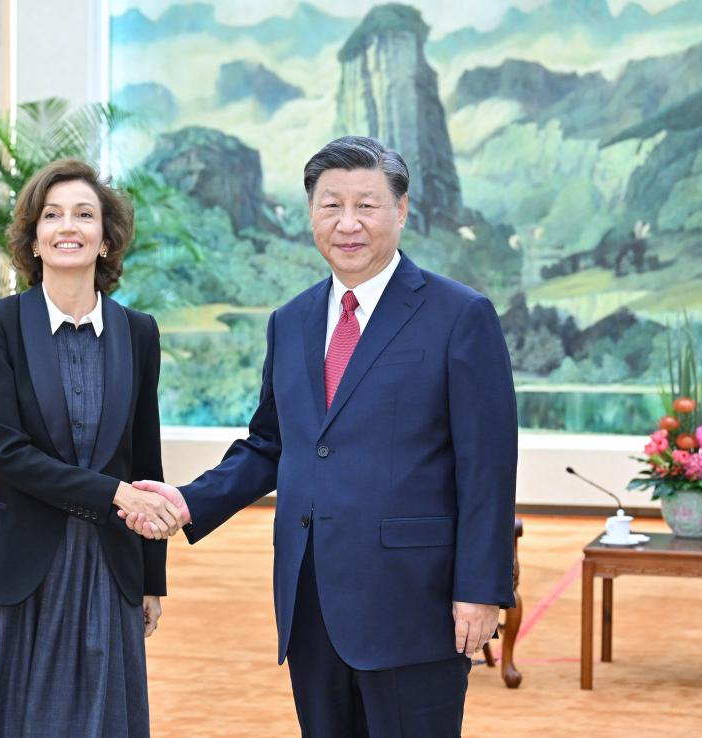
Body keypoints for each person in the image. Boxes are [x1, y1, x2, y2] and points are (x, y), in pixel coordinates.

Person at [124, 136, 517, 737]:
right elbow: (269, 445)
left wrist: (481, 590)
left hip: (416, 601)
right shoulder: (292, 321)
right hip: (310, 599)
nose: (348, 223)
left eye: (367, 204)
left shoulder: (459, 315)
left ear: (402, 210)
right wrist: (186, 501)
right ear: (311, 213)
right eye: (331, 205)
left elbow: (487, 466)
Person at [0, 158, 183, 738]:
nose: (68, 226)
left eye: (84, 215)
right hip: (13, 561)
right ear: (34, 238)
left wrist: (151, 578)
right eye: (53, 215)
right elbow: (8, 453)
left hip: (106, 564)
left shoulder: (138, 331)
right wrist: (115, 493)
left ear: (106, 238)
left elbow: (145, 458)